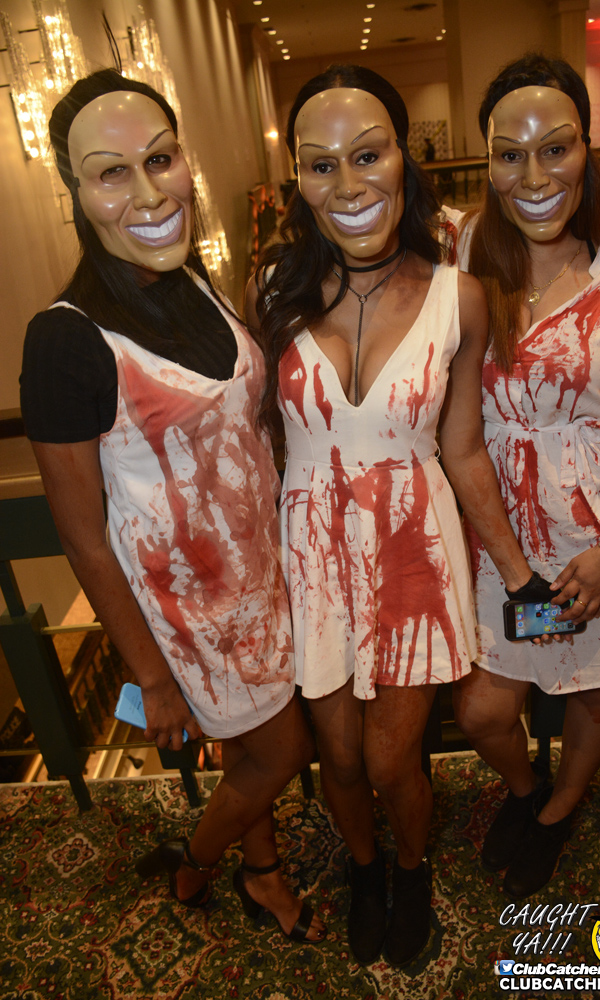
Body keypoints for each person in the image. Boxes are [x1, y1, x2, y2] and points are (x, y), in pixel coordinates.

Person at [19, 69, 326, 942]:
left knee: (253, 748)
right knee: (283, 751)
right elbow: (82, 536)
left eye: (160, 159)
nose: (150, 194)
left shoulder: (195, 279)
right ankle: (194, 857)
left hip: (261, 573)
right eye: (111, 173)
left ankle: (261, 870)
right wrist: (152, 676)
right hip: (188, 612)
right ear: (76, 192)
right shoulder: (65, 339)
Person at [246, 64, 539, 965]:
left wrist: (519, 574)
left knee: (387, 760)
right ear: (299, 179)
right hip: (311, 554)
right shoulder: (271, 289)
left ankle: (410, 869)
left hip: (413, 550)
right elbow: (251, 440)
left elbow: (463, 448)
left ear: (402, 159)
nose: (348, 184)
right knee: (336, 758)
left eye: (367, 155)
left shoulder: (460, 296)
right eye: (320, 163)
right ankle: (365, 868)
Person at [448, 53, 600, 899]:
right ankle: (523, 787)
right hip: (498, 530)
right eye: (510, 154)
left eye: (555, 148)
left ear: (586, 149)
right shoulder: (464, 253)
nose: (534, 176)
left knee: (597, 696)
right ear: (488, 160)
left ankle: (557, 809)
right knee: (482, 709)